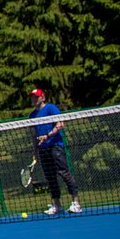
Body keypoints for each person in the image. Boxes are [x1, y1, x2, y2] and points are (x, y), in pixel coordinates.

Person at [28, 88, 81, 216]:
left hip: (55, 146)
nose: (34, 99)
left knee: (64, 173)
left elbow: (60, 124)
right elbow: (34, 135)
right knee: (50, 177)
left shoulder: (51, 108)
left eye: (36, 97)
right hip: (43, 149)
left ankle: (76, 203)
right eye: (32, 97)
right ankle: (57, 205)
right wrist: (35, 151)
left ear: (43, 97)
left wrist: (47, 136)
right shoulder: (32, 115)